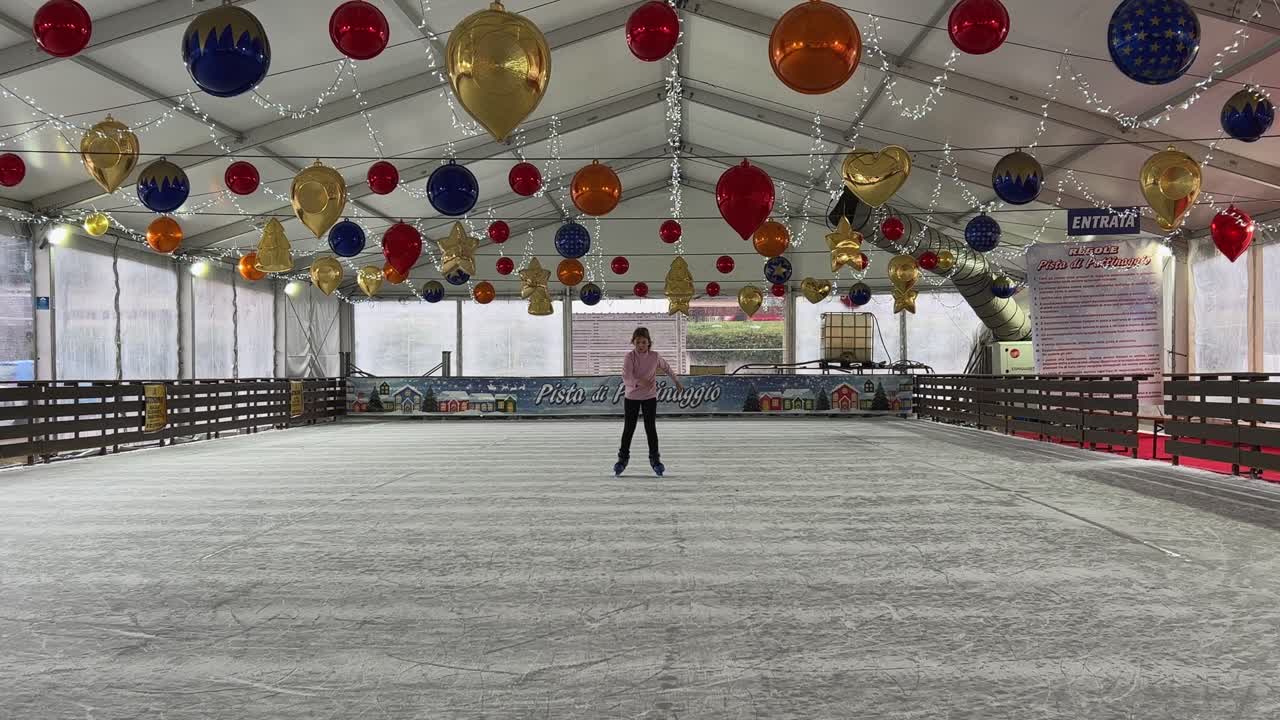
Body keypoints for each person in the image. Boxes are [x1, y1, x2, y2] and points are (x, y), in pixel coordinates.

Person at [616, 327, 683, 477]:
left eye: (644, 342)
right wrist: (639, 382)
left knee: (650, 429)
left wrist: (676, 381)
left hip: (649, 397)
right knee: (629, 429)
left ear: (649, 343)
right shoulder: (629, 357)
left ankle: (655, 460)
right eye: (638, 342)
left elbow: (667, 368)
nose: (641, 345)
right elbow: (626, 377)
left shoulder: (655, 357)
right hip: (632, 397)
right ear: (633, 342)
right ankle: (622, 459)